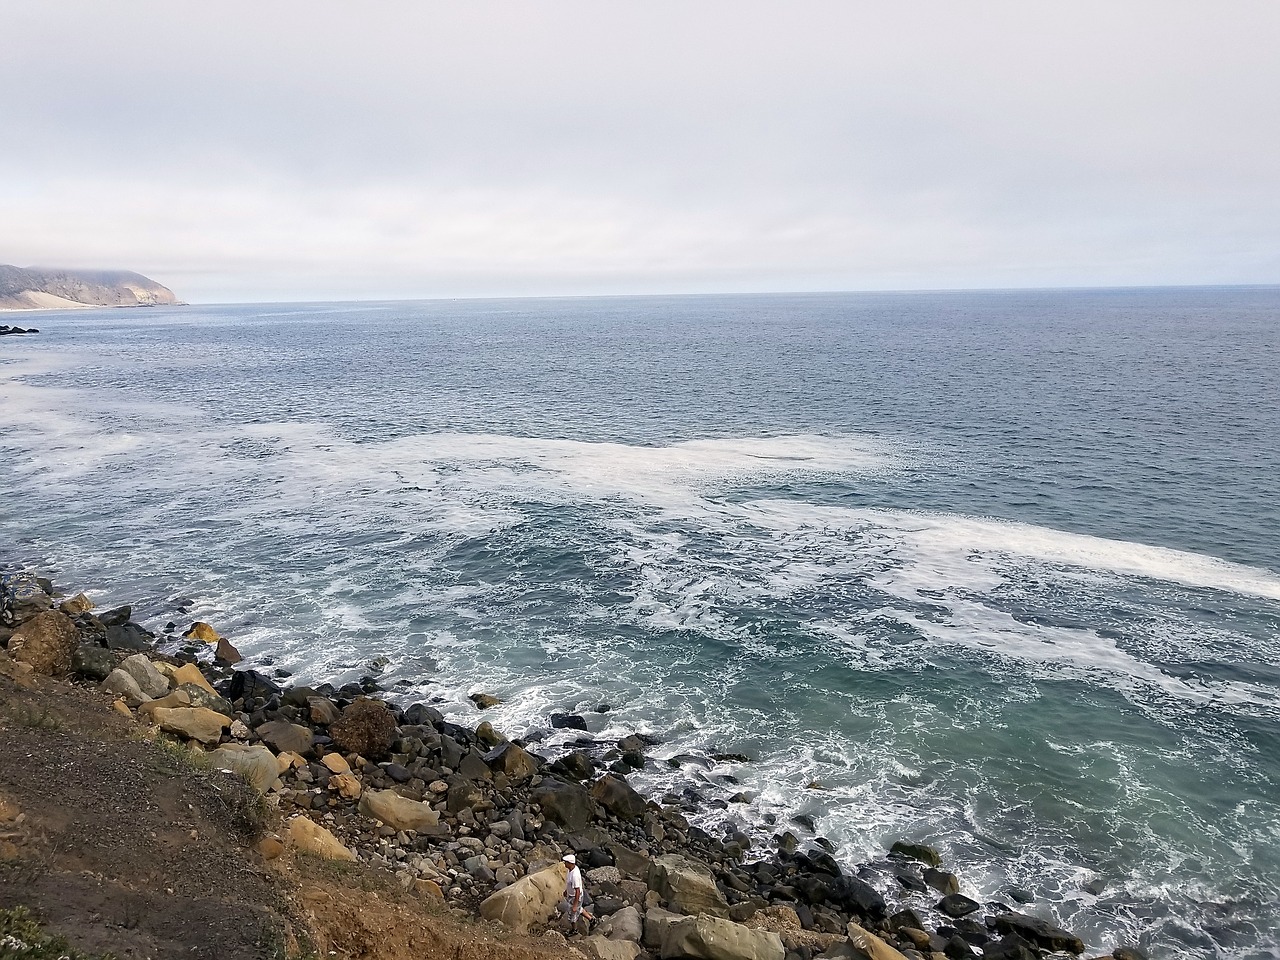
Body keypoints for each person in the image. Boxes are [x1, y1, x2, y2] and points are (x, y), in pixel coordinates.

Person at [561, 853, 591, 933]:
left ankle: (574, 930)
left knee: (572, 914)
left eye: (566, 862)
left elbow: (577, 890)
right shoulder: (571, 870)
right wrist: (566, 891)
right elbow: (569, 883)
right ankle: (591, 919)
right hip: (571, 894)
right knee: (578, 909)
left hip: (575, 896)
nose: (564, 863)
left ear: (570, 863)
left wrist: (575, 904)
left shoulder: (575, 875)